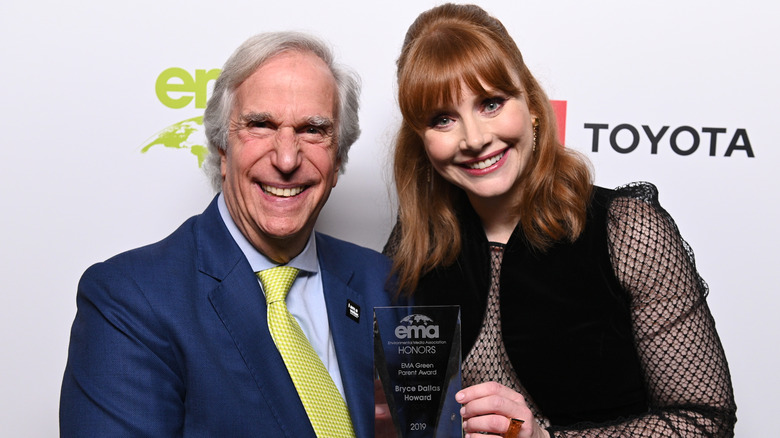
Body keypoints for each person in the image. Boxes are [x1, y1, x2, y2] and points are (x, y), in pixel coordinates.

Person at [384, 4, 737, 438]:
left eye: (491, 103)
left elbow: (704, 422)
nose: (474, 139)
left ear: (531, 105)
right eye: (443, 119)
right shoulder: (416, 243)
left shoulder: (627, 231)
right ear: (422, 142)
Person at [60, 31, 395, 437]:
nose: (287, 159)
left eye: (312, 129)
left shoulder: (386, 284)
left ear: (338, 158)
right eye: (260, 125)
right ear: (222, 150)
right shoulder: (130, 300)